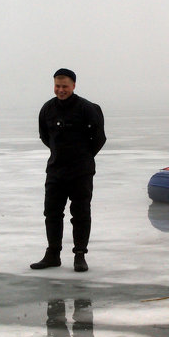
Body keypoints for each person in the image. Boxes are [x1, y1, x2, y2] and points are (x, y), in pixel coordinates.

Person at [31, 68, 106, 272]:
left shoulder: (88, 108)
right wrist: (60, 153)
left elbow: (99, 138)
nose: (60, 90)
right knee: (52, 213)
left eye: (65, 86)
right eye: (57, 86)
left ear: (73, 85)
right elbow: (45, 136)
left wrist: (83, 156)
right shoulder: (47, 109)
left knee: (80, 213)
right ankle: (53, 254)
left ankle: (80, 255)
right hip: (56, 170)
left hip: (81, 171)